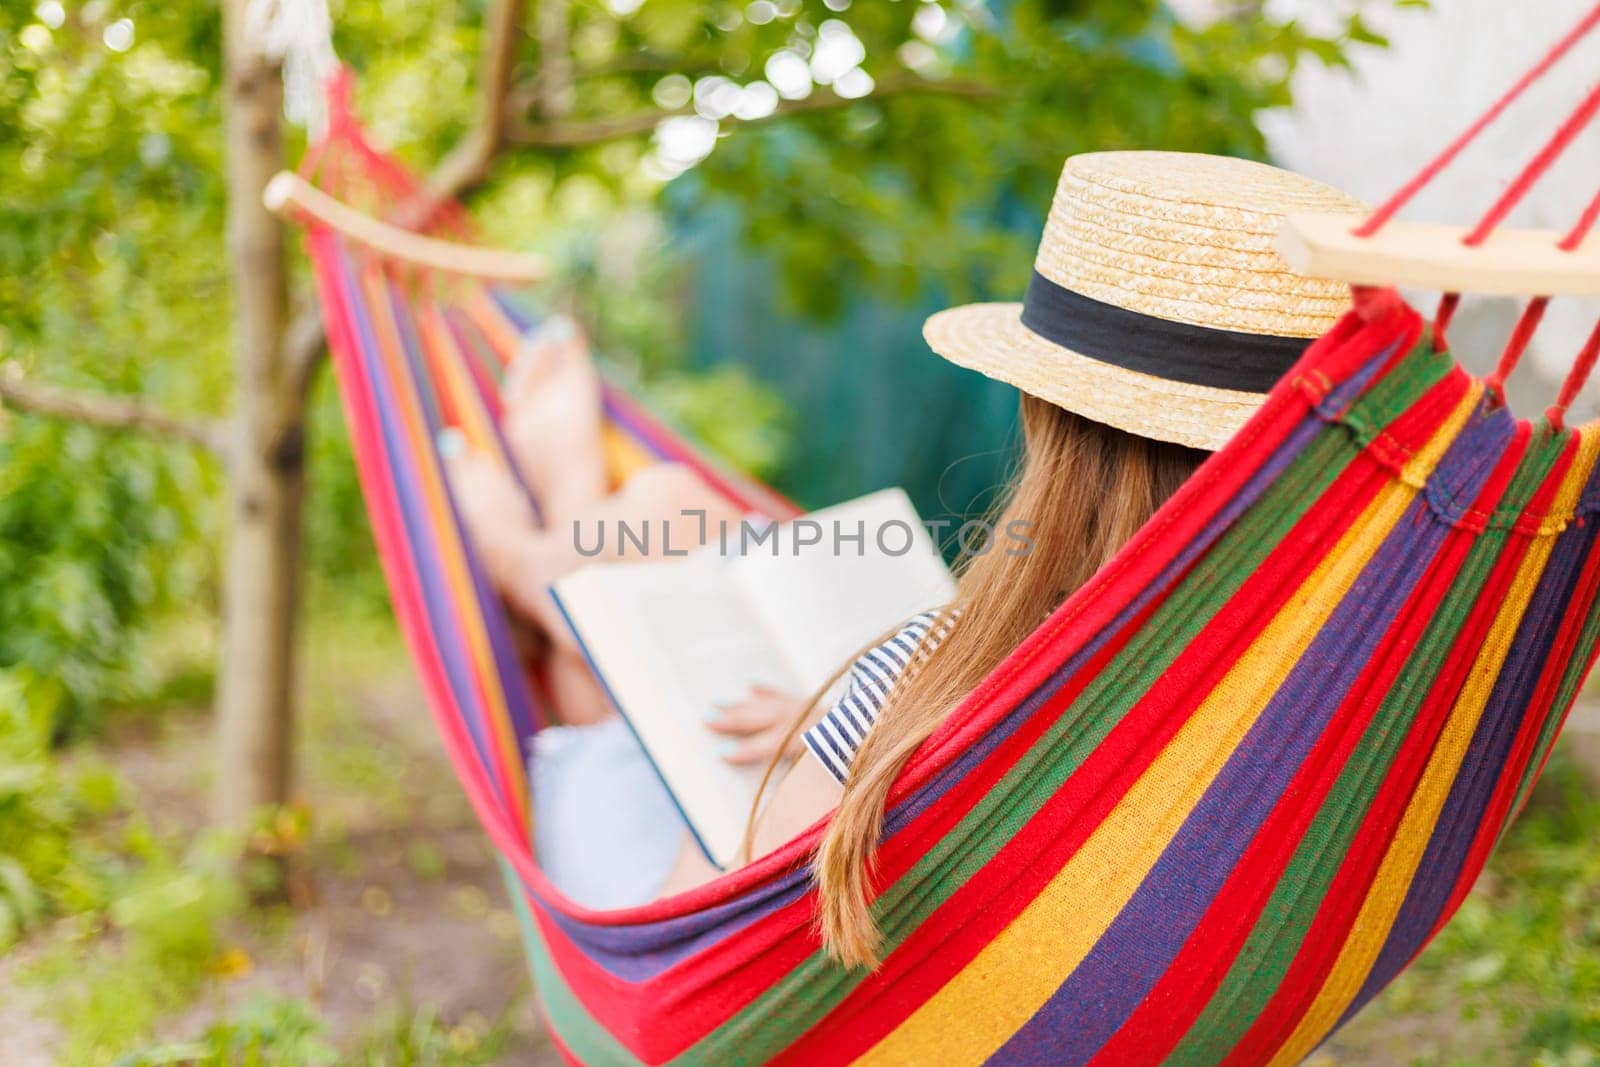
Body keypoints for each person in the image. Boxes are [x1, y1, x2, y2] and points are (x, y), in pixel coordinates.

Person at [444, 150, 1366, 964]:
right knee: (672, 507)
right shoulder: (1333, 670)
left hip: (669, 944)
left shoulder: (929, 674)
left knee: (605, 668)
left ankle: (523, 547)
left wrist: (852, 727)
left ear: (1045, 412)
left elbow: (699, 928)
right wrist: (833, 727)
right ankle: (557, 518)